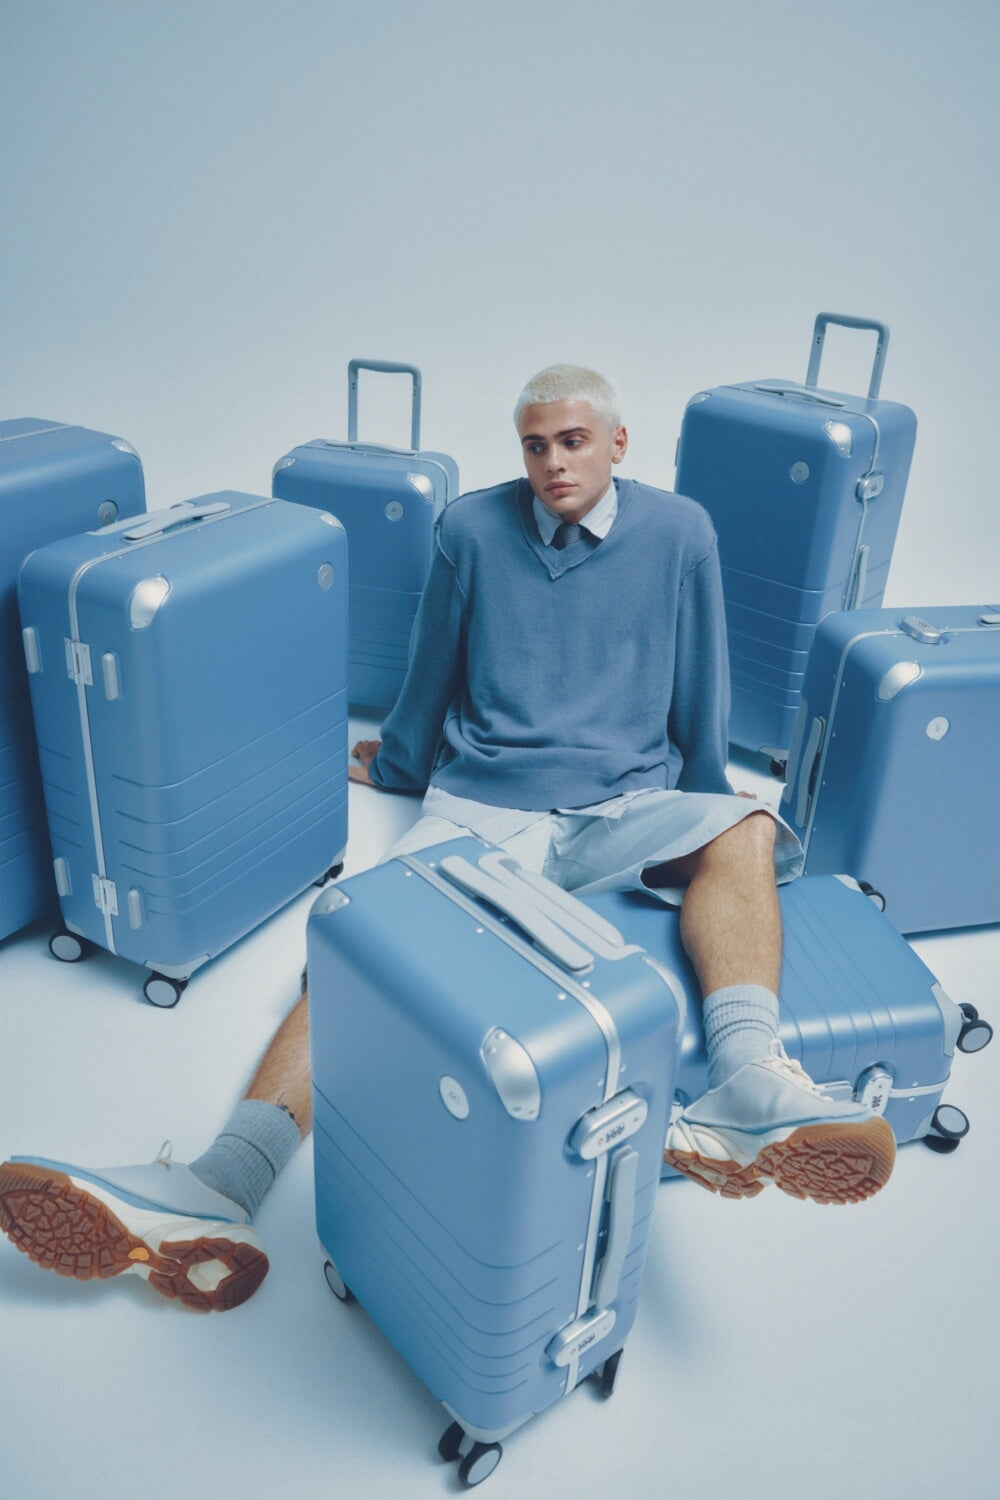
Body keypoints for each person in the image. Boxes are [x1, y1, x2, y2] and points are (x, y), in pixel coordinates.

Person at [0, 365, 895, 1314]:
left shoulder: (681, 532)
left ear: (618, 445)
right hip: (482, 810)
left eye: (574, 441)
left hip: (623, 807)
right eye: (536, 444)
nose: (553, 461)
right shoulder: (471, 528)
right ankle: (222, 1187)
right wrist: (395, 763)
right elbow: (433, 666)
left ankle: (750, 1082)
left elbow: (700, 684)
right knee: (358, 949)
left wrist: (712, 802)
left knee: (750, 821)